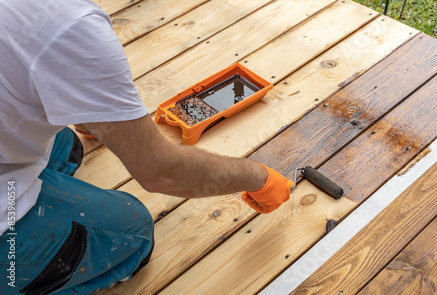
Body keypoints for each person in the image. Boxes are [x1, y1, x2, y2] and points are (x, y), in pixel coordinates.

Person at [0, 0, 292, 294]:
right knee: (133, 234)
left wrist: (87, 101)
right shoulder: (69, 28)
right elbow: (162, 172)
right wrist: (259, 178)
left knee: (65, 145)